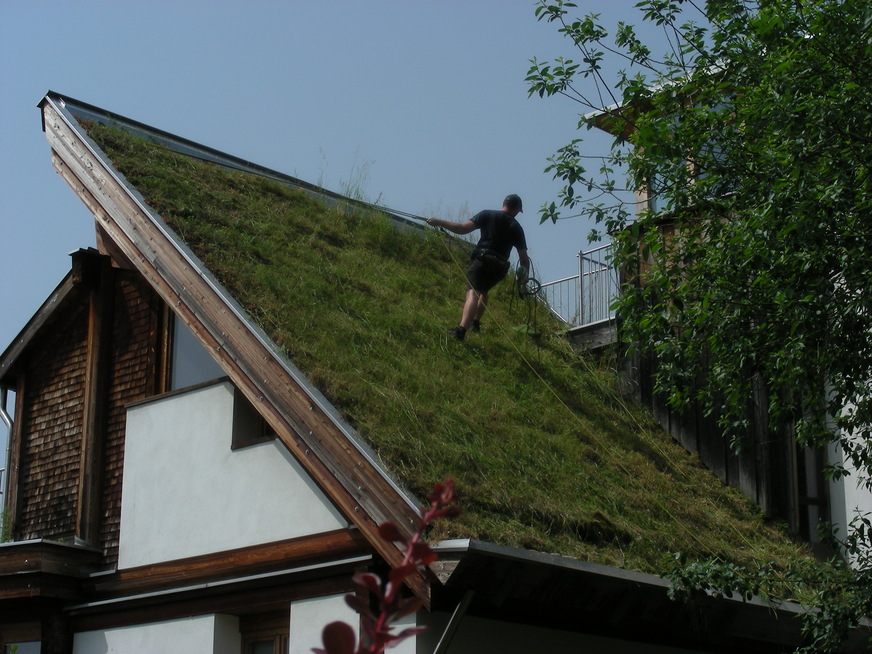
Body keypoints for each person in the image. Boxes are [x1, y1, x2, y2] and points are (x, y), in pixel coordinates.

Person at [426, 194, 530, 341]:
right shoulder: (516, 227)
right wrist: (522, 282)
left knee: (473, 293)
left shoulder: (487, 214)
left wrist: (438, 222)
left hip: (483, 260)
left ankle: (461, 331)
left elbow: (462, 229)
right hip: (500, 267)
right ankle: (475, 323)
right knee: (484, 291)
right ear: (517, 209)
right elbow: (524, 259)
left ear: (504, 203)